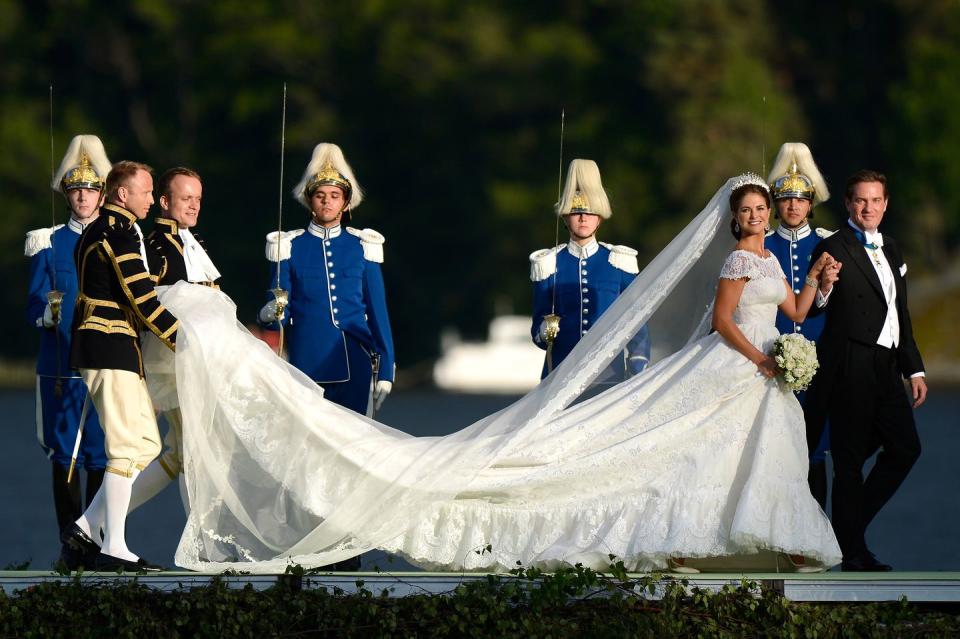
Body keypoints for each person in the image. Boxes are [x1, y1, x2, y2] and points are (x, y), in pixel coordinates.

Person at [141, 173, 843, 574]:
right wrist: (764, 359)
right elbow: (724, 320)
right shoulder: (727, 261)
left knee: (715, 452)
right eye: (747, 210)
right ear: (733, 218)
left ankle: (751, 537)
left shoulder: (773, 262)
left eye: (761, 210)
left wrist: (816, 284)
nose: (755, 216)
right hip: (734, 366)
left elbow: (794, 310)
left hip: (758, 373)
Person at [59, 161, 179, 572]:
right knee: (128, 447)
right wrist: (184, 340)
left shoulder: (105, 230)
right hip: (107, 345)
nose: (151, 199)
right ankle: (114, 547)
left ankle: (88, 526)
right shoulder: (118, 231)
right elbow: (142, 298)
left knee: (145, 444)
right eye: (146, 192)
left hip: (114, 348)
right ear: (122, 194)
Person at [804, 170, 926, 572]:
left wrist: (915, 370)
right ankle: (852, 551)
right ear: (848, 203)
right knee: (850, 461)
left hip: (887, 366)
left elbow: (899, 312)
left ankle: (845, 533)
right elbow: (817, 306)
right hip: (850, 363)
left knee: (906, 448)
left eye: (875, 201)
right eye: (860, 200)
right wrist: (824, 287)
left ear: (886, 204)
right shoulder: (831, 246)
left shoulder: (891, 247)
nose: (868, 208)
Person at [258, 143, 395, 417]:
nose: (327, 201)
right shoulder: (289, 246)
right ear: (310, 201)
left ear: (345, 202)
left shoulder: (362, 246)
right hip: (306, 365)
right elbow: (277, 318)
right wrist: (270, 312)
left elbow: (378, 313)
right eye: (320, 195)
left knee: (354, 444)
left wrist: (387, 369)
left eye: (334, 195)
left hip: (355, 362)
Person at [25, 135, 110, 551]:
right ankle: (70, 545)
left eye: (90, 189)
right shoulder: (48, 241)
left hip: (104, 361)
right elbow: (33, 303)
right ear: (66, 193)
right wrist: (48, 312)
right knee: (65, 453)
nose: (82, 196)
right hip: (60, 364)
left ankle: (96, 542)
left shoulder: (115, 238)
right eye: (76, 189)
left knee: (102, 452)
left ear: (101, 194)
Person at [128, 167, 221, 517]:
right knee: (192, 452)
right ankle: (201, 548)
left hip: (202, 361)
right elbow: (144, 308)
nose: (194, 206)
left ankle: (94, 527)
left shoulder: (196, 245)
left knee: (179, 452)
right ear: (164, 202)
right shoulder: (155, 248)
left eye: (198, 199)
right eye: (186, 198)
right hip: (172, 361)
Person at [530, 159, 650, 379]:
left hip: (607, 377)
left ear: (600, 219)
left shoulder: (619, 262)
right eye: (576, 212)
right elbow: (537, 328)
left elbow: (637, 321)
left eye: (590, 212)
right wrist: (544, 331)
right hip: (559, 375)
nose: (583, 218)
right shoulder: (548, 264)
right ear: (565, 217)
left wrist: (637, 369)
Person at [766, 142, 834, 509]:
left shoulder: (829, 245)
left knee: (815, 452)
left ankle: (817, 532)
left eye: (800, 199)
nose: (793, 205)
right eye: (786, 199)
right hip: (768, 363)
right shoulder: (760, 246)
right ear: (776, 204)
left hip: (818, 361)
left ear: (811, 203)